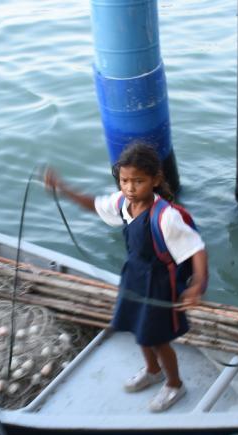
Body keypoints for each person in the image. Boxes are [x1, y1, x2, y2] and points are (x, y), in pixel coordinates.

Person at [45, 142, 208, 412]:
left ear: (156, 180)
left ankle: (175, 384)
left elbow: (197, 249)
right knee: (136, 327)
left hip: (159, 284)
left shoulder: (166, 217)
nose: (130, 188)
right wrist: (63, 189)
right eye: (124, 181)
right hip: (133, 277)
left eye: (139, 181)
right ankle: (153, 370)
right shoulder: (123, 203)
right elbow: (94, 205)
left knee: (156, 338)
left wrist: (198, 285)